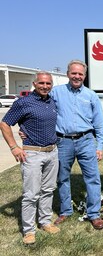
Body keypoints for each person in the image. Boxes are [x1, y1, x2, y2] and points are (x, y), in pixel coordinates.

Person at [0, 72, 60, 245]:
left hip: (52, 151)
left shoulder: (51, 101)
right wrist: (14, 147)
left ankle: (45, 222)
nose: (45, 86)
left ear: (51, 85)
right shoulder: (24, 102)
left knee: (48, 190)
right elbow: (4, 123)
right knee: (31, 194)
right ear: (34, 83)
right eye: (41, 83)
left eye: (48, 83)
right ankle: (28, 230)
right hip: (32, 153)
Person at [52, 60, 103, 230]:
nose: (77, 76)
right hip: (63, 141)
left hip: (86, 141)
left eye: (80, 74)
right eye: (73, 73)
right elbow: (41, 111)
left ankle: (94, 214)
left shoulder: (91, 95)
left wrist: (100, 145)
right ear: (68, 74)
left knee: (92, 178)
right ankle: (65, 211)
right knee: (62, 178)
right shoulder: (56, 93)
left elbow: (99, 122)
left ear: (84, 76)